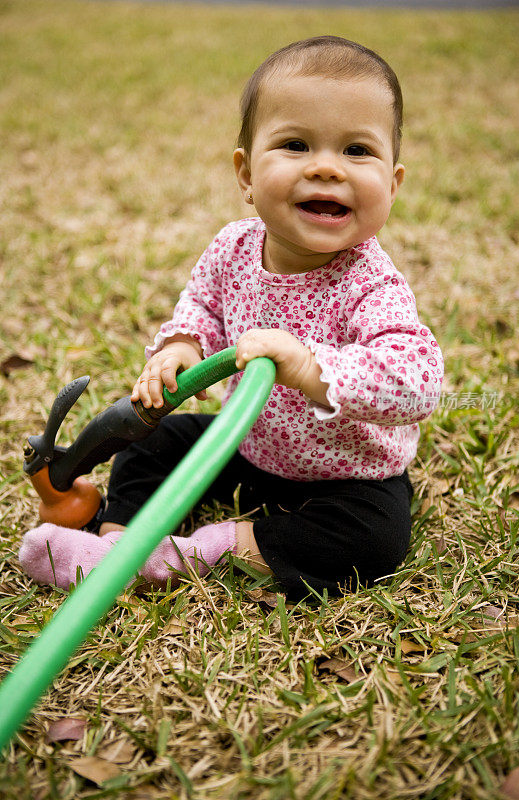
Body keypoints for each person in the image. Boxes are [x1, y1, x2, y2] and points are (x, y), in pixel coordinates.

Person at [19, 36, 443, 600]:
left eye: (357, 151)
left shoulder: (372, 282)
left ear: (392, 185)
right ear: (245, 175)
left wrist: (309, 366)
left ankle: (198, 553)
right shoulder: (232, 249)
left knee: (375, 538)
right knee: (154, 439)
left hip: (349, 473)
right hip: (247, 444)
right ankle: (115, 542)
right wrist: (181, 350)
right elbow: (199, 311)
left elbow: (416, 382)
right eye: (295, 144)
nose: (326, 168)